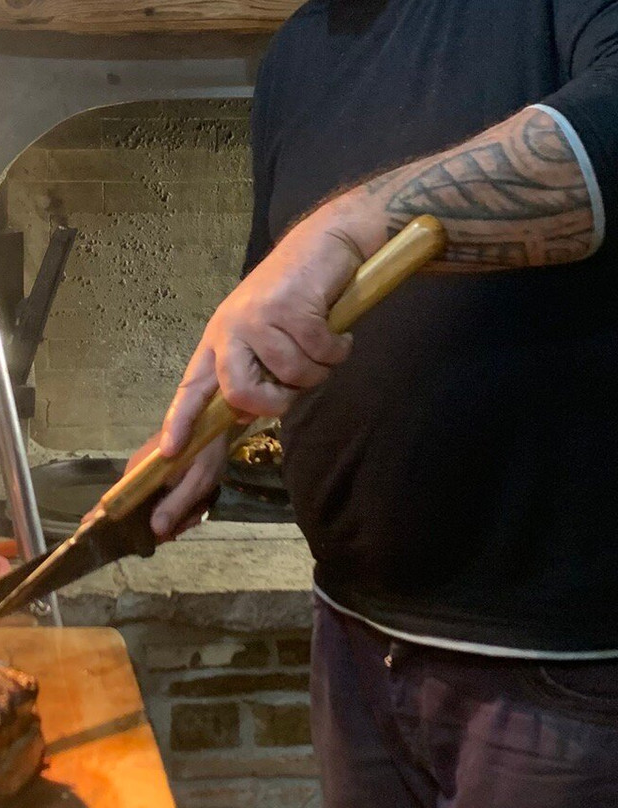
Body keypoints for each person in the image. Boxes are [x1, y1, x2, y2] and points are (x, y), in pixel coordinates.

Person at [129, 1, 618, 805]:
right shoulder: (297, 51)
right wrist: (214, 419)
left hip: (561, 678)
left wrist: (355, 225)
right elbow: (279, 277)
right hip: (351, 638)